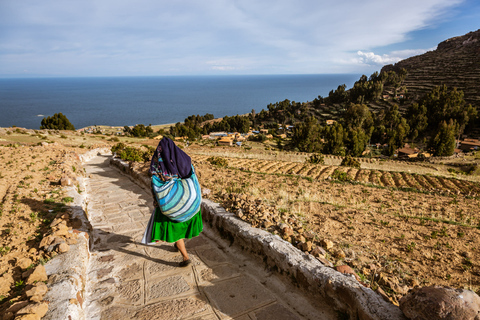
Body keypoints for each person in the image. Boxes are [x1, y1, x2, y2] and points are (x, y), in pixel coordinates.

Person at [141, 137, 203, 267]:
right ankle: (178, 245)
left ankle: (185, 257)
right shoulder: (183, 159)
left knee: (175, 230)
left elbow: (155, 184)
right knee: (181, 227)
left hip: (172, 205)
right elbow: (191, 173)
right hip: (188, 202)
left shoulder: (158, 166)